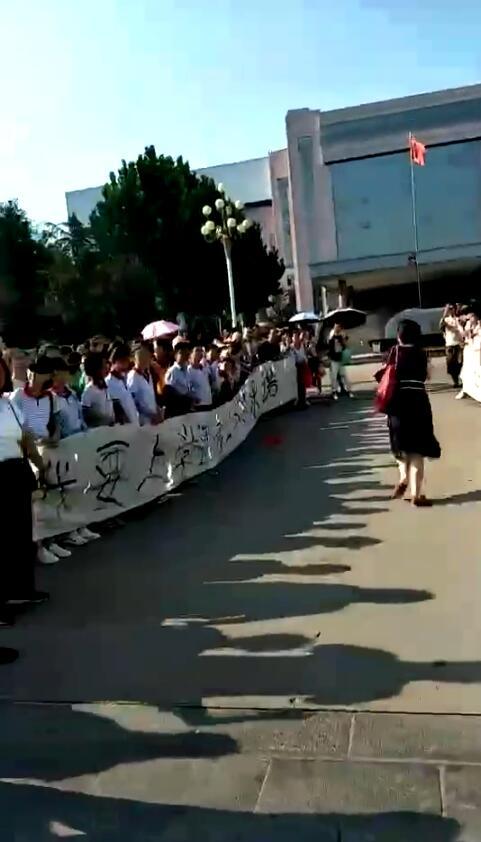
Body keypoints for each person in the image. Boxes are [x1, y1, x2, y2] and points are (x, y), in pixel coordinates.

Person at [0, 357, 49, 662]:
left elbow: (25, 437)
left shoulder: (8, 404)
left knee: (21, 534)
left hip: (15, 472)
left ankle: (20, 589)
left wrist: (38, 463)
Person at [387, 319, 441, 507]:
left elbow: (386, 375)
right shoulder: (421, 354)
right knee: (417, 449)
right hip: (418, 401)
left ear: (399, 335)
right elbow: (428, 376)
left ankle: (403, 477)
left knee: (400, 445)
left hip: (397, 401)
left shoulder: (394, 352)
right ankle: (416, 495)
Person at [10, 357, 60, 445]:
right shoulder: (18, 395)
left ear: (48, 376)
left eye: (40, 372)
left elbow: (54, 423)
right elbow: (11, 425)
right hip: (26, 446)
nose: (33, 375)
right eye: (32, 371)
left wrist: (54, 437)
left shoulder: (50, 397)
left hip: (46, 446)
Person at [127, 342, 161, 426]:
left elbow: (151, 396)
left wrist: (157, 410)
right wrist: (151, 415)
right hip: (143, 421)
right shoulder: (132, 377)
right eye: (141, 356)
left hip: (154, 420)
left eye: (146, 355)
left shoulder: (148, 374)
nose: (145, 359)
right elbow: (134, 403)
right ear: (135, 358)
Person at [106, 344, 139, 425]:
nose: (126, 364)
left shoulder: (123, 380)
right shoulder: (108, 383)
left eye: (127, 360)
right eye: (123, 361)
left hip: (135, 427)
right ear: (114, 361)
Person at [81, 352, 115, 428]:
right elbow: (86, 416)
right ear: (96, 369)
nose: (106, 368)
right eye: (103, 367)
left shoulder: (106, 386)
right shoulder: (89, 391)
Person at [164, 340, 193, 417]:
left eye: (186, 353)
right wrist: (182, 397)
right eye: (181, 353)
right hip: (177, 410)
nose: (185, 356)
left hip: (187, 409)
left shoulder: (187, 370)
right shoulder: (172, 371)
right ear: (175, 354)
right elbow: (169, 392)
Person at [440, 304, 464, 389]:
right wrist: (445, 313)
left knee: (460, 363)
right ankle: (455, 381)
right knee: (451, 364)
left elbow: (462, 328)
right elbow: (442, 326)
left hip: (458, 344)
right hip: (450, 345)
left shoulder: (458, 319)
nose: (451, 310)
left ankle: (461, 380)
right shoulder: (445, 319)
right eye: (449, 309)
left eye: (452, 308)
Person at [328, 323, 353, 399]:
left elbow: (346, 343)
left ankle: (348, 390)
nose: (337, 328)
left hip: (340, 357)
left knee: (344, 375)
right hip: (334, 358)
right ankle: (334, 391)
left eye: (338, 327)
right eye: (336, 327)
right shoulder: (332, 333)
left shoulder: (342, 333)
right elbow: (329, 342)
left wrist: (342, 339)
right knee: (334, 376)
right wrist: (336, 337)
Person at [290, 330, 308, 409]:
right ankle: (298, 401)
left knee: (302, 384)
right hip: (296, 367)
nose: (295, 339)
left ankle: (303, 400)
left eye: (297, 337)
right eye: (294, 337)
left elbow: (304, 354)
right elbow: (292, 358)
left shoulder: (302, 345)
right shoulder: (291, 347)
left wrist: (305, 360)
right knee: (297, 384)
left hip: (303, 366)